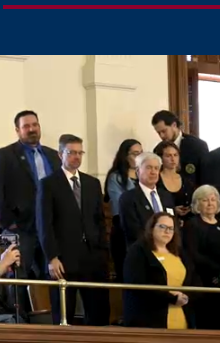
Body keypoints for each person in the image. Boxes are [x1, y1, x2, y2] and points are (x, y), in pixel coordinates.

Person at [0, 111, 61, 315]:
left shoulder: (53, 155)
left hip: (48, 228)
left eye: (35, 125)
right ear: (17, 130)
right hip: (20, 228)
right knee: (18, 278)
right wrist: (9, 223)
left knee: (51, 277)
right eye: (26, 126)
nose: (32, 129)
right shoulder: (4, 155)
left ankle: (51, 323)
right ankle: (17, 323)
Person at [36, 134, 110, 326]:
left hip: (92, 258)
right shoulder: (49, 184)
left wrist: (102, 252)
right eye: (71, 153)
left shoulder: (92, 184)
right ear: (61, 154)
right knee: (64, 315)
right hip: (64, 259)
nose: (76, 157)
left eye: (80, 153)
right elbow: (44, 224)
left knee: (98, 314)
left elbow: (100, 221)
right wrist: (51, 257)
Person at [123, 212, 201, 329]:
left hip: (181, 318)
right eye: (162, 227)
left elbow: (195, 280)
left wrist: (187, 296)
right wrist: (171, 298)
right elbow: (137, 284)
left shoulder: (180, 253)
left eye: (171, 228)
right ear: (151, 228)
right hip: (149, 319)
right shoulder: (138, 251)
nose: (167, 231)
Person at [183, 185, 220, 330]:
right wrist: (217, 271)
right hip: (203, 281)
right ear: (197, 204)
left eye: (213, 199)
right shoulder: (192, 225)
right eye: (205, 200)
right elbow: (193, 254)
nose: (210, 203)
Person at [105, 139, 142, 282]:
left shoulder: (144, 175)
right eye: (135, 154)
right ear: (125, 156)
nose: (138, 157)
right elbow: (120, 206)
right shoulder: (116, 177)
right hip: (123, 229)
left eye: (141, 153)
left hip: (145, 230)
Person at [119, 153, 175, 247]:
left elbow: (174, 224)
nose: (153, 172)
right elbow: (133, 231)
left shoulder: (166, 196)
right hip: (143, 251)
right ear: (137, 171)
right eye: (149, 168)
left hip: (168, 250)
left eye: (156, 168)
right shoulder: (128, 198)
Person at [151, 110, 209, 185]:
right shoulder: (158, 150)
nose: (161, 136)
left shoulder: (198, 145)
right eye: (159, 133)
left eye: (164, 131)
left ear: (174, 125)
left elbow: (205, 176)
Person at [154, 141, 195, 224]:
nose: (173, 159)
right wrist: (172, 210)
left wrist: (189, 208)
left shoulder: (186, 181)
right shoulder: (155, 180)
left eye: (175, 155)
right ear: (160, 158)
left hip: (186, 223)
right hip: (163, 222)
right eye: (168, 156)